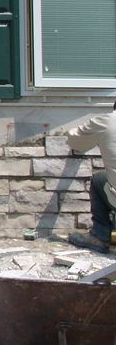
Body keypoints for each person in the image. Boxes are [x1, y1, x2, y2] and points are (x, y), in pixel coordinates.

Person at [66, 101, 116, 253]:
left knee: (98, 179)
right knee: (103, 178)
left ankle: (99, 237)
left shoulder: (107, 122)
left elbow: (75, 141)